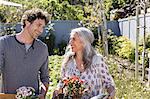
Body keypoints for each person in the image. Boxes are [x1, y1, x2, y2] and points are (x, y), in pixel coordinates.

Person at [0, 8, 50, 99]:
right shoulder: (4, 43)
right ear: (27, 22)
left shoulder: (42, 48)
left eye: (43, 27)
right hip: (8, 97)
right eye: (38, 25)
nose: (41, 30)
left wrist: (43, 93)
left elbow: (45, 78)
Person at [55, 27, 115, 99]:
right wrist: (57, 90)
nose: (70, 42)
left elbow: (108, 82)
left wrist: (111, 93)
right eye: (70, 39)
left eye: (74, 39)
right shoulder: (68, 61)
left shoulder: (97, 60)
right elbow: (62, 83)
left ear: (83, 42)